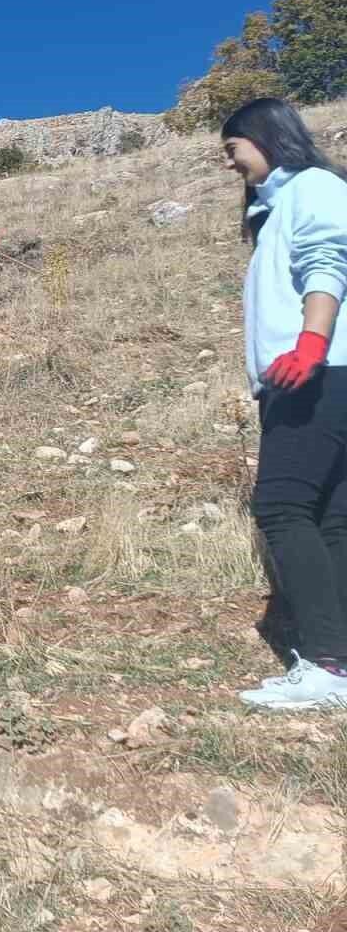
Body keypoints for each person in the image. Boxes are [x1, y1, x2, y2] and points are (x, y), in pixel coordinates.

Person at [217, 99, 347, 711]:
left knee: (282, 506)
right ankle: (336, 661)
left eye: (232, 146)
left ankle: (325, 664)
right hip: (321, 374)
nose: (230, 161)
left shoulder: (313, 187)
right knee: (329, 519)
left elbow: (329, 260)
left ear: (265, 135)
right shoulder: (275, 209)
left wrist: (310, 343)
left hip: (315, 373)